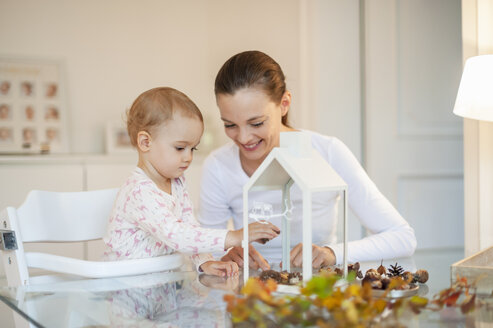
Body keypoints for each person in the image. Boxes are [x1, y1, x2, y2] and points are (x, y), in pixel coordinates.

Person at [198, 50, 417, 271]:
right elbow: (204, 246)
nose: (243, 138)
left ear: (284, 104)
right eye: (230, 125)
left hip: (318, 291)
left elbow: (402, 237)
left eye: (256, 123)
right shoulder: (218, 166)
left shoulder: (328, 152)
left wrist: (332, 253)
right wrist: (225, 254)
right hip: (254, 296)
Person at [103, 87, 280, 277]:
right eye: (180, 148)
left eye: (192, 149)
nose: (188, 157)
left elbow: (190, 228)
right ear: (146, 142)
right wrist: (235, 236)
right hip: (126, 285)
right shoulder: (138, 192)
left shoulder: (176, 182)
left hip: (160, 280)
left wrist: (204, 261)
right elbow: (177, 235)